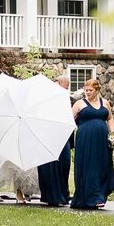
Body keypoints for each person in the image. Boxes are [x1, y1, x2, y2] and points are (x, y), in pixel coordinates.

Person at [70, 78, 114, 210]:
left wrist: (113, 132)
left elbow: (110, 118)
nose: (87, 93)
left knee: (102, 165)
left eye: (90, 90)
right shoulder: (79, 104)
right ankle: (93, 197)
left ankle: (100, 194)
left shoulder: (105, 103)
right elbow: (69, 119)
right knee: (88, 166)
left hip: (102, 140)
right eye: (86, 90)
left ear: (97, 90)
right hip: (85, 140)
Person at [36, 75, 74, 206]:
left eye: (65, 87)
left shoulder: (70, 100)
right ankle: (52, 196)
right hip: (48, 135)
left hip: (63, 137)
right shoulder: (45, 100)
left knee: (64, 164)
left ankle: (63, 194)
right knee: (49, 166)